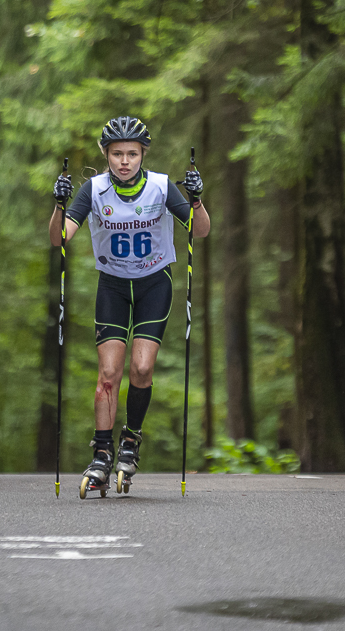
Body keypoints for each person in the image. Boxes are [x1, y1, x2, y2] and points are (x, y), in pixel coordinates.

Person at [48, 115, 211, 494]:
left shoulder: (160, 187)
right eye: (117, 153)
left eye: (132, 154)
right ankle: (102, 452)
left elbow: (200, 230)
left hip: (155, 285)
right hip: (114, 288)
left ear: (143, 155)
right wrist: (59, 205)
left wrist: (197, 200)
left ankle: (131, 441)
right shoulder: (93, 189)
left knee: (141, 368)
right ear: (106, 154)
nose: (124, 161)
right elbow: (60, 239)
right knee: (108, 375)